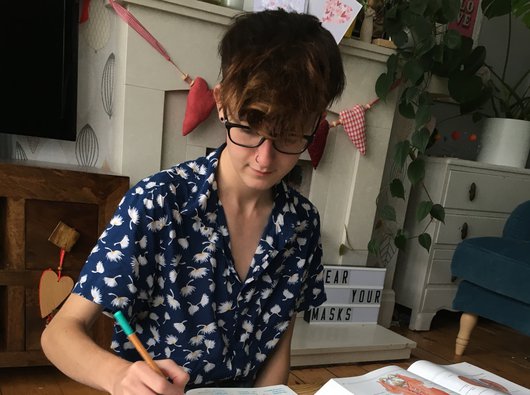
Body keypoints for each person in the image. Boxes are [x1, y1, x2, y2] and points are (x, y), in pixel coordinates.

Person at [41, 8, 345, 395]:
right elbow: (60, 334)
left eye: (289, 137)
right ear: (221, 103)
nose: (265, 158)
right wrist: (119, 376)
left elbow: (278, 345)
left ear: (316, 124)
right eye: (249, 128)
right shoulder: (158, 202)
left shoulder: (302, 223)